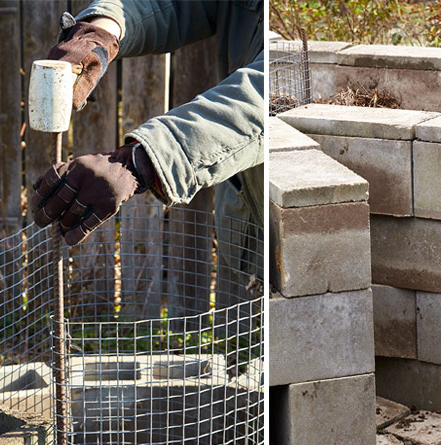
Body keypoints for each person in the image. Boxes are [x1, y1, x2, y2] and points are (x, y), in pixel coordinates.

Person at [29, 0, 264, 280]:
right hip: (244, 226)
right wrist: (101, 29)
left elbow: (266, 92)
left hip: (269, 223)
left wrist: (137, 162)